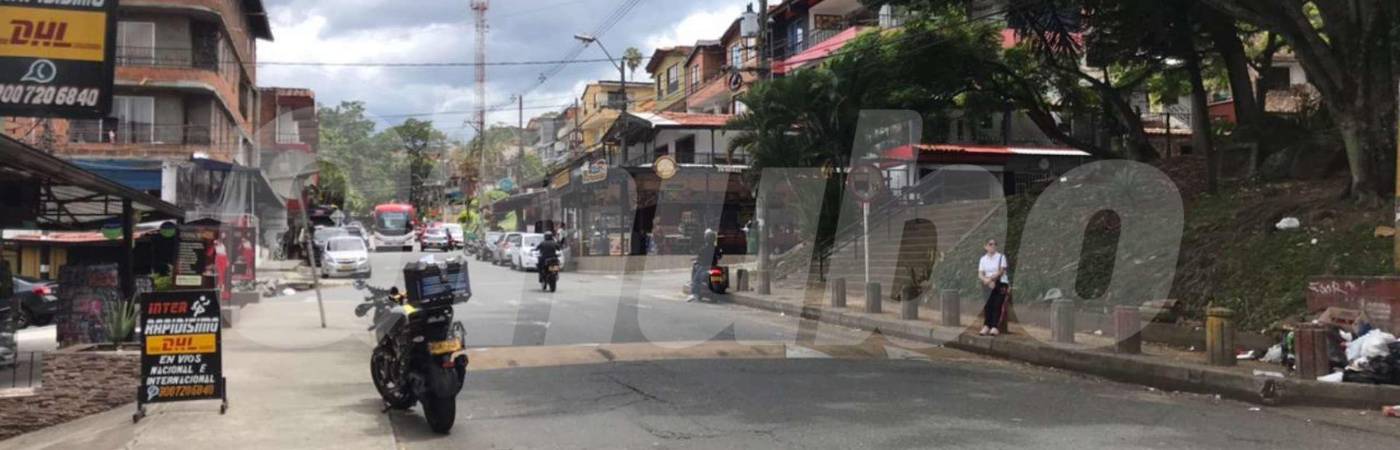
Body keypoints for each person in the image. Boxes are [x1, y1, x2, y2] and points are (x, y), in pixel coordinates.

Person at [978, 239, 1010, 336]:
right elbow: (980, 273)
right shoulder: (983, 259)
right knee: (988, 305)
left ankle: (995, 326)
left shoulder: (1001, 257)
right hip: (987, 283)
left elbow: (1001, 271)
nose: (993, 246)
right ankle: (986, 325)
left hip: (1000, 283)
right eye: (990, 244)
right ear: (985, 246)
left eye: (995, 244)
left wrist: (991, 279)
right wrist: (986, 280)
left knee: (997, 304)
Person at [688, 229, 722, 302]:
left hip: (704, 267)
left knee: (696, 280)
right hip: (714, 267)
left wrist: (696, 260)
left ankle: (694, 294)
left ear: (706, 239)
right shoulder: (717, 248)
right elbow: (719, 257)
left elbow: (699, 259)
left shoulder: (703, 249)